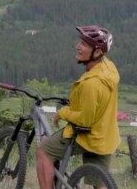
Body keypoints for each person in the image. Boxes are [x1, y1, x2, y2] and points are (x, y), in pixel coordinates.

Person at [36, 25, 120, 189]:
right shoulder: (109, 67)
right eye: (80, 42)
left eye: (84, 44)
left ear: (96, 52)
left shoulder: (92, 84)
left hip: (87, 135)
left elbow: (85, 120)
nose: (78, 46)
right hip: (105, 135)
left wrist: (63, 112)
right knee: (99, 184)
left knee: (43, 152)